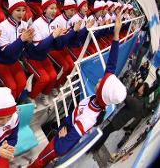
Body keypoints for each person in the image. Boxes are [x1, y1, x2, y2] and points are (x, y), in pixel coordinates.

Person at [28, 15, 127, 168]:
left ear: (102, 92)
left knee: (40, 161)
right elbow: (112, 64)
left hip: (60, 140)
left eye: (101, 83)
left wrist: (60, 140)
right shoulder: (99, 102)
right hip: (68, 125)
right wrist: (115, 35)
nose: (99, 80)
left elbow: (62, 148)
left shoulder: (88, 118)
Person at [24, 0, 66, 106]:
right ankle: (30, 97)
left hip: (43, 56)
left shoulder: (53, 24)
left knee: (53, 76)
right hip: (32, 57)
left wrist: (58, 37)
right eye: (51, 8)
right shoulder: (37, 24)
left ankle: (44, 94)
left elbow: (58, 47)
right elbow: (38, 47)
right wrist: (53, 36)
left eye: (55, 8)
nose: (54, 11)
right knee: (44, 78)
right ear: (44, 9)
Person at [0, 0, 34, 100]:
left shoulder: (24, 25)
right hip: (0, 62)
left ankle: (15, 106)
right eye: (18, 10)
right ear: (11, 11)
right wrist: (21, 39)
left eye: (23, 10)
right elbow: (6, 52)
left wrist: (29, 41)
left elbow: (26, 48)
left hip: (14, 61)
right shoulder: (2, 26)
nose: (21, 13)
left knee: (22, 84)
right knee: (12, 88)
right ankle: (7, 108)